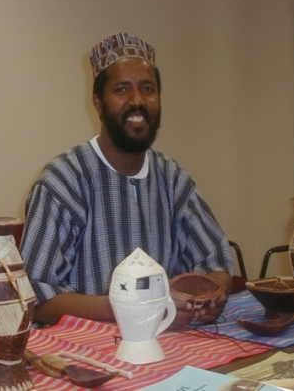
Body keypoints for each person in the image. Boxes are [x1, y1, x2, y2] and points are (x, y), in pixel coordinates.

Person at [20, 32, 235, 330]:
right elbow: (34, 299)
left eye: (147, 89)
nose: (137, 101)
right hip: (88, 351)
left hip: (169, 344)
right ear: (98, 103)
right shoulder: (64, 181)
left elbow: (217, 261)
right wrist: (130, 309)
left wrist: (210, 297)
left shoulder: (172, 179)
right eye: (122, 90)